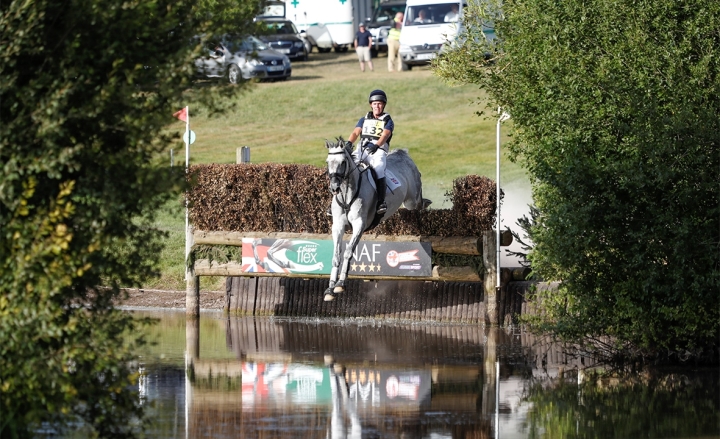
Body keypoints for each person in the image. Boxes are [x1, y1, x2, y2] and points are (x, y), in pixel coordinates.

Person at [346, 89, 394, 214]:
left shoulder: (388, 120)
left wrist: (377, 145)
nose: (377, 106)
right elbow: (356, 132)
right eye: (374, 103)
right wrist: (349, 143)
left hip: (378, 151)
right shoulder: (364, 119)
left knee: (378, 168)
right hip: (361, 149)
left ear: (383, 105)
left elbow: (385, 135)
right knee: (346, 166)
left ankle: (380, 201)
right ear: (370, 104)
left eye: (379, 103)